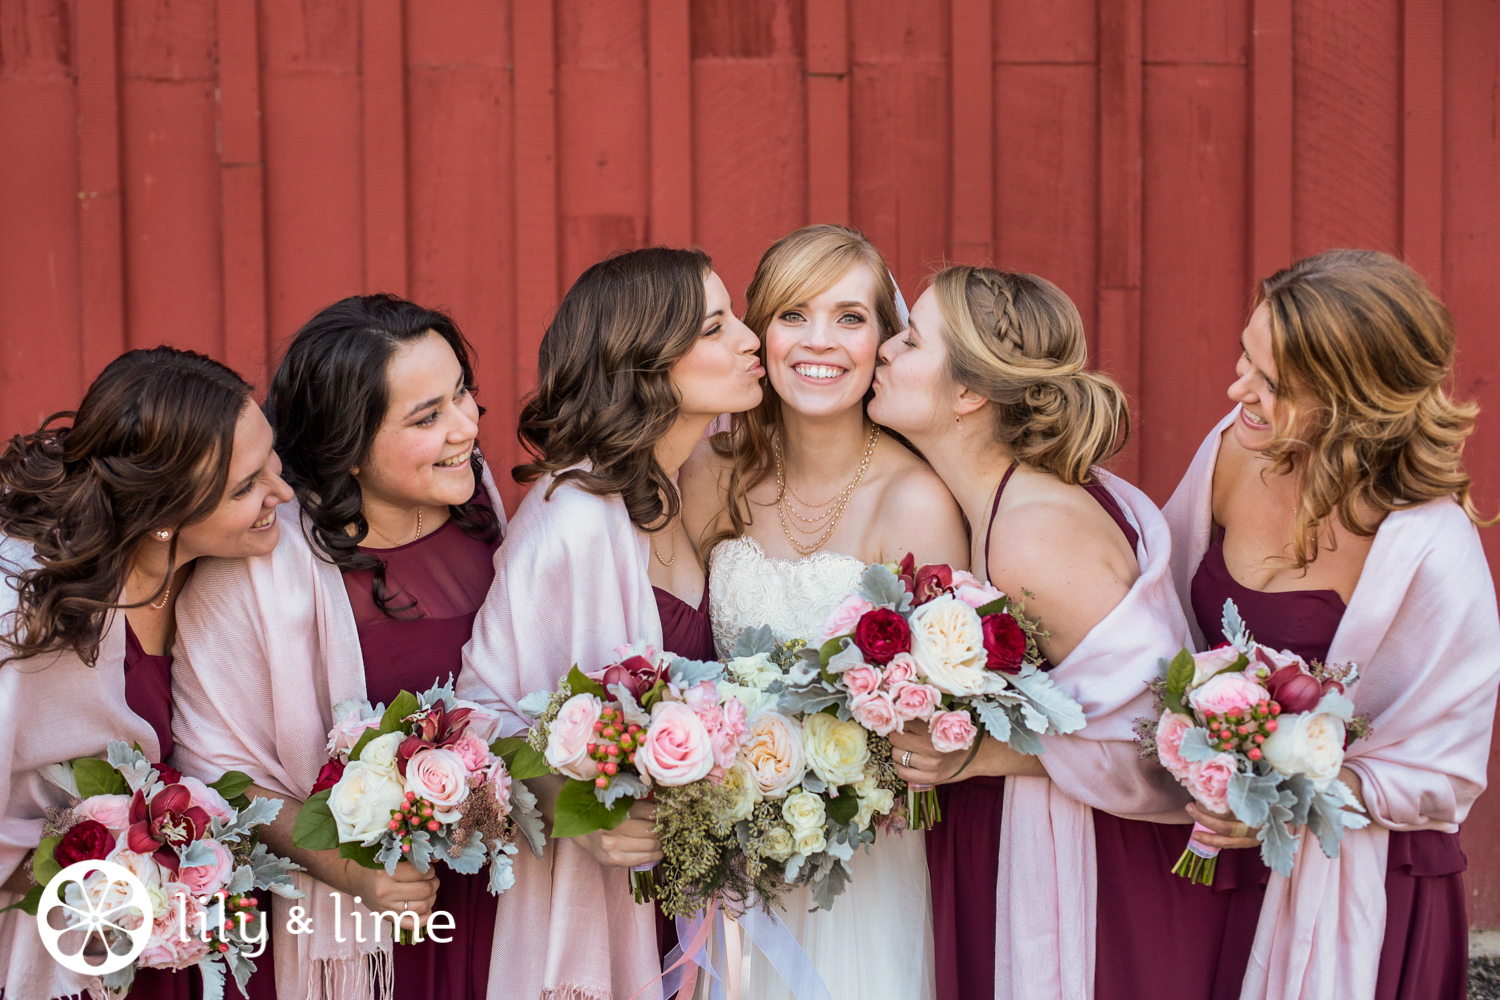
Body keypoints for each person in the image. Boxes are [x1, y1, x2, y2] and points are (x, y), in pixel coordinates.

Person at [873, 266, 1239, 1000]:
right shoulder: (995, 499)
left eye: (910, 340)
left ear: (970, 393)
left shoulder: (1033, 535)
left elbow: (1164, 746)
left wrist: (984, 753)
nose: (884, 349)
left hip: (1105, 881)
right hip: (1023, 841)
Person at [1163, 249, 1500, 1000]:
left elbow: (1443, 770)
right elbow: (1162, 620)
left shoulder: (1430, 550)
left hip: (1364, 882)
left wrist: (1282, 798)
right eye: (1245, 359)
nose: (1237, 389)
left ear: (1356, 401)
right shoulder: (1230, 451)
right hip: (1213, 857)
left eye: (1272, 383)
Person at [171, 295, 507, 1000]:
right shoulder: (255, 572)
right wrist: (351, 871)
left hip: (497, 901)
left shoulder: (481, 510)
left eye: (463, 394)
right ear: (348, 447)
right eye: (428, 416)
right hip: (355, 926)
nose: (468, 427)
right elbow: (220, 772)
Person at [457, 247, 765, 1000]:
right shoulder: (572, 521)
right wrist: (584, 815)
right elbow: (477, 721)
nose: (751, 340)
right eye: (716, 327)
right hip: (601, 894)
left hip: (689, 894)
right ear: (646, 361)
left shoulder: (689, 490)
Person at [680, 224, 969, 1000]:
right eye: (792, 315)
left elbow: (933, 717)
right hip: (724, 854)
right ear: (760, 334)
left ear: (885, 341)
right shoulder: (712, 473)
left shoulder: (916, 501)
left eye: (850, 318)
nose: (821, 342)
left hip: (861, 866)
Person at [0, 347, 290, 1000]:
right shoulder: (29, 622)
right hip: (64, 950)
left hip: (186, 940)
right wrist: (82, 853)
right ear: (162, 518)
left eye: (272, 459)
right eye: (246, 488)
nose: (283, 492)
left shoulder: (220, 577)